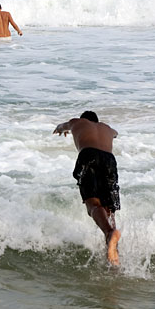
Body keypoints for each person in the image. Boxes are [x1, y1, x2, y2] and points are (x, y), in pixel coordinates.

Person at [53, 110, 121, 266]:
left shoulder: (77, 122)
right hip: (109, 160)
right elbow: (115, 133)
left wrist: (60, 129)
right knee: (108, 207)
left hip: (88, 156)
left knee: (93, 204)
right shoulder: (107, 128)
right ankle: (114, 253)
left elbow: (62, 126)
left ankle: (110, 234)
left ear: (83, 119)